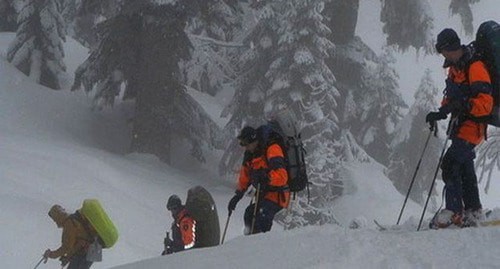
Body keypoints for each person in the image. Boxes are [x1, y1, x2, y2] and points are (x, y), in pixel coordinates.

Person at [426, 28, 494, 228]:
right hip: (460, 126)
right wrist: (441, 112)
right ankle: (473, 210)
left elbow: (485, 103)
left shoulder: (475, 66)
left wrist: (464, 105)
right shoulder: (455, 68)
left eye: (443, 51)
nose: (443, 55)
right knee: (464, 166)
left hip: (473, 126)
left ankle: (454, 212)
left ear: (451, 47)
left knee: (451, 163)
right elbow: (452, 96)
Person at [227, 125, 290, 235]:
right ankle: (250, 243)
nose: (245, 147)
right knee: (249, 214)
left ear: (253, 140)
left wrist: (267, 177)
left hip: (278, 195)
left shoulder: (272, 148)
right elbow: (245, 176)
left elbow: (282, 176)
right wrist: (237, 196)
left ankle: (261, 246)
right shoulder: (250, 154)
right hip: (264, 193)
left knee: (262, 217)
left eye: (246, 144)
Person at [43, 204, 96, 269]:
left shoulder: (68, 224)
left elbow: (66, 247)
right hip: (94, 248)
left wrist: (51, 254)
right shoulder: (72, 219)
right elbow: (74, 244)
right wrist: (67, 258)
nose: (55, 221)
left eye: (54, 219)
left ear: (57, 217)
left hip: (87, 251)